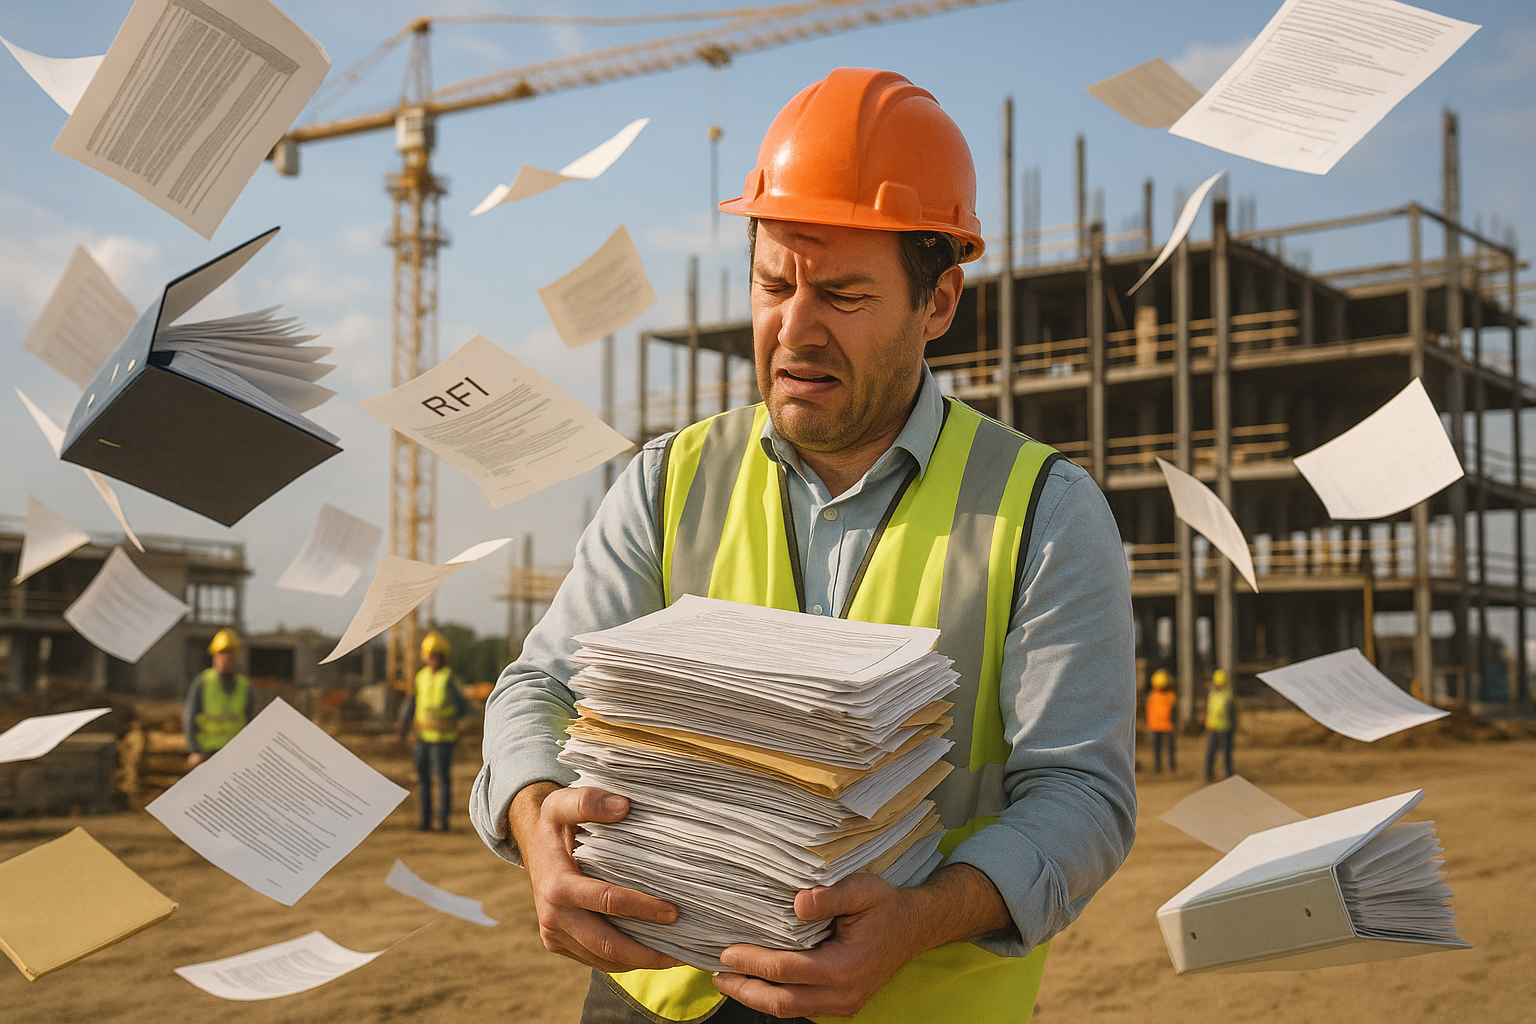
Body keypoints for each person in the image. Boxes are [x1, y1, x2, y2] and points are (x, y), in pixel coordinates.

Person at [470, 67, 1136, 1024]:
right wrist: (536, 825)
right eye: (773, 284)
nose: (796, 328)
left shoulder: (1045, 511)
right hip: (662, 997)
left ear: (939, 302)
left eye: (844, 294)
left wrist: (914, 920)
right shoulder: (670, 482)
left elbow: (1080, 793)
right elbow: (540, 689)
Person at [400, 630, 472, 832]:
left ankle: (443, 822)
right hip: (422, 738)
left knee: (442, 780)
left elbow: (462, 705)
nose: (431, 659)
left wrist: (453, 720)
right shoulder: (420, 677)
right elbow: (412, 703)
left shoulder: (448, 678)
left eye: (435, 656)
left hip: (443, 739)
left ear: (441, 657)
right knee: (423, 780)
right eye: (428, 656)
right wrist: (404, 728)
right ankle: (424, 821)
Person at [183, 628, 251, 768]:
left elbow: (249, 720)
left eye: (230, 654)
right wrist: (194, 751)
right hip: (206, 753)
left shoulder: (244, 686)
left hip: (234, 753)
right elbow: (189, 718)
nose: (226, 659)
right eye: (222, 654)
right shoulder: (202, 682)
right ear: (215, 657)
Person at [1204, 668, 1236, 782]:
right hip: (1216, 727)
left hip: (1220, 727)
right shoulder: (1223, 694)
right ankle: (1211, 775)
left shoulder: (1221, 694)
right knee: (1214, 753)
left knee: (1222, 753)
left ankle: (1226, 774)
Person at [1146, 668, 1177, 774]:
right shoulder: (1170, 696)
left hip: (1160, 725)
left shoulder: (1152, 696)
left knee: (1161, 748)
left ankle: (1163, 767)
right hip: (1163, 725)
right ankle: (1164, 766)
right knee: (1164, 748)